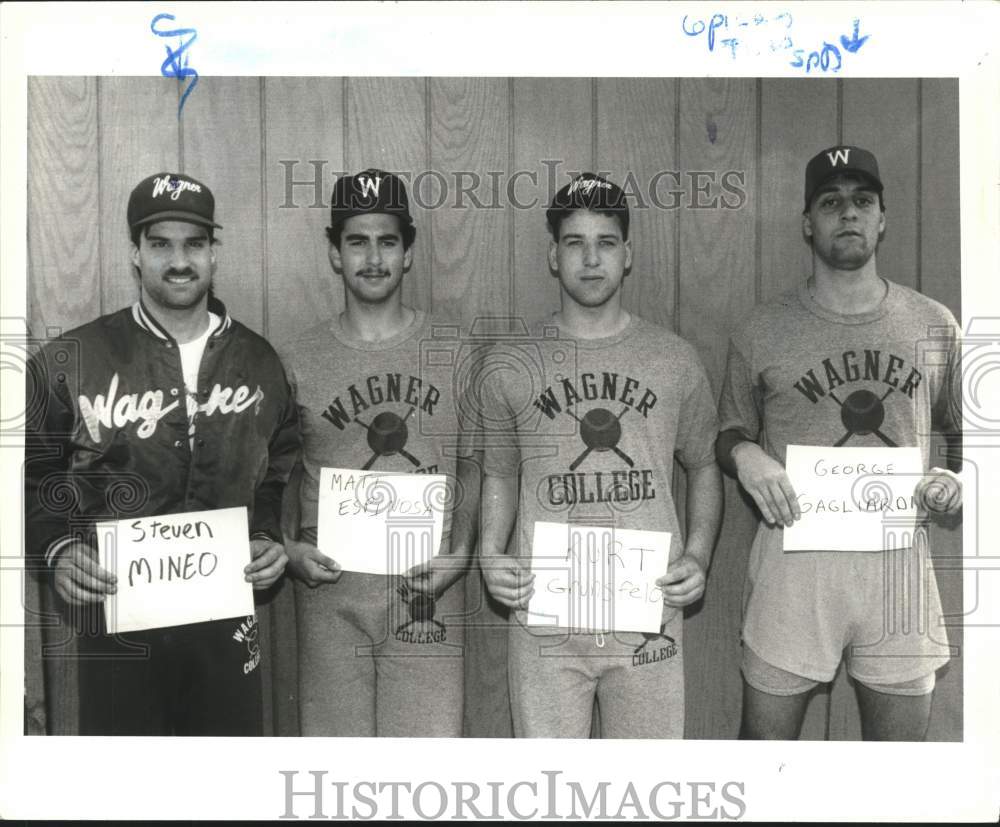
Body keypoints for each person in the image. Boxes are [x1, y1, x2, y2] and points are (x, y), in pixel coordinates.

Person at [24, 171, 300, 735]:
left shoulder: (259, 360)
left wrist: (270, 537)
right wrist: (56, 548)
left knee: (225, 787)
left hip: (224, 616)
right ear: (136, 253)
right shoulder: (74, 359)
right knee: (128, 790)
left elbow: (280, 472)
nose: (179, 261)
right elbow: (32, 478)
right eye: (161, 244)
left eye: (194, 244)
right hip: (119, 615)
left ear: (213, 253)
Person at [716, 145, 963, 741]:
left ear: (882, 218)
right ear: (808, 223)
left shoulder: (933, 324)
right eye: (831, 202)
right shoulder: (764, 327)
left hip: (897, 564)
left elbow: (965, 431)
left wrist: (957, 479)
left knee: (899, 776)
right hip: (794, 564)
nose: (847, 214)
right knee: (764, 763)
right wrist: (746, 456)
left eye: (862, 201)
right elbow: (728, 432)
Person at [478, 173, 723, 738]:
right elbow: (499, 472)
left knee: (645, 793)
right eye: (574, 243)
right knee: (548, 790)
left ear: (627, 254)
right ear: (552, 255)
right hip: (546, 618)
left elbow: (704, 464)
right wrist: (491, 552)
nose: (591, 259)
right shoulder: (512, 363)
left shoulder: (673, 359)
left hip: (647, 615)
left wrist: (700, 555)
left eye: (606, 243)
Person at [280, 168, 478, 737]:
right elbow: (282, 470)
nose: (373, 257)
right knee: (337, 778)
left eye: (388, 241)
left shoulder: (453, 349)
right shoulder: (298, 356)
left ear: (408, 253)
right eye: (357, 241)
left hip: (426, 591)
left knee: (422, 780)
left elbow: (475, 463)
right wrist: (289, 545)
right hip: (331, 596)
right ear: (335, 253)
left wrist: (460, 552)